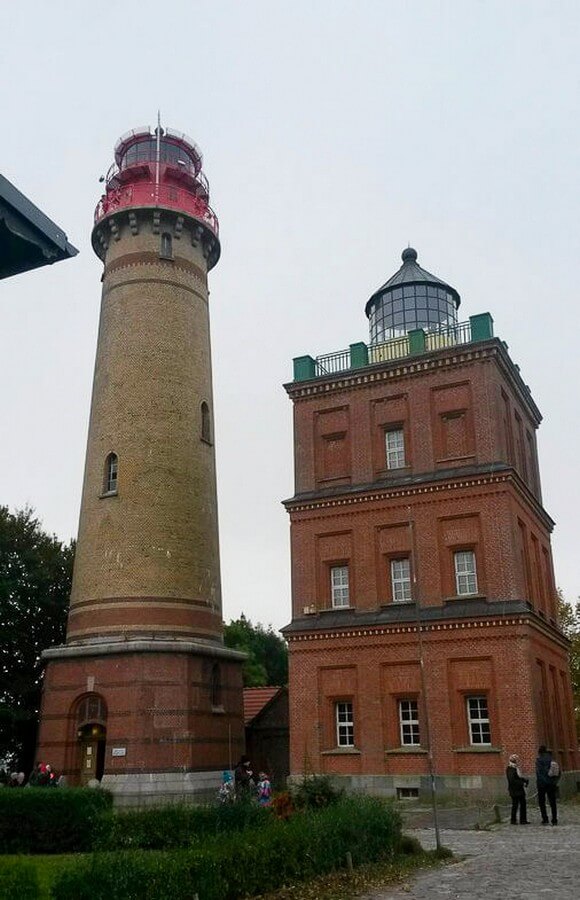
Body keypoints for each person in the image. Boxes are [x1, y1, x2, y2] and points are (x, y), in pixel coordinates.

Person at [536, 745, 559, 825]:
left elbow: (539, 774)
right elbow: (558, 772)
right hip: (551, 784)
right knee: (553, 802)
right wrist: (554, 782)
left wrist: (542, 781)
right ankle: (554, 819)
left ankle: (545, 819)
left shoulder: (538, 760)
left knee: (542, 802)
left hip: (541, 784)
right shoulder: (551, 759)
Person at [506, 754, 529, 824]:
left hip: (519, 789)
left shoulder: (515, 768)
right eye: (516, 760)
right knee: (515, 805)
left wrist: (524, 780)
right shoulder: (510, 769)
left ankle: (523, 820)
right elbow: (512, 780)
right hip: (515, 790)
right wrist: (522, 783)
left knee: (523, 804)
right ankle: (513, 820)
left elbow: (518, 777)